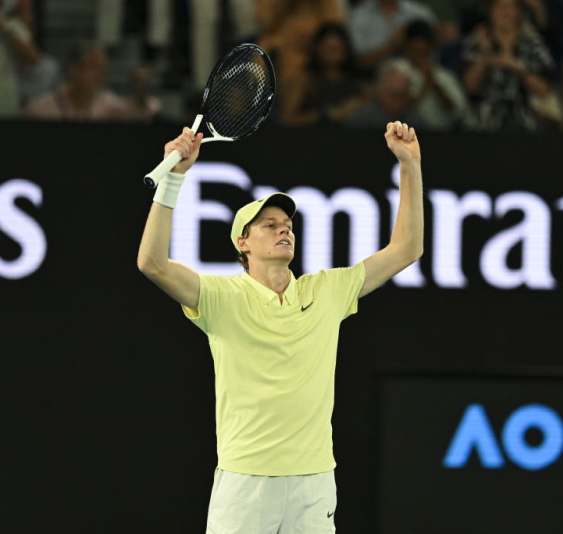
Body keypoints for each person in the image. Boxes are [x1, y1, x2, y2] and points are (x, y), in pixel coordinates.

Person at [136, 120, 423, 533]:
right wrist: (173, 179)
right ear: (243, 242)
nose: (283, 228)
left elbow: (407, 248)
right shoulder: (222, 297)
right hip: (245, 483)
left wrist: (409, 166)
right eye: (268, 225)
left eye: (286, 224)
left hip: (315, 483)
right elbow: (152, 264)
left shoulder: (328, 290)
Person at [459, 0, 557, 132]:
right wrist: (484, 56)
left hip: (524, 123)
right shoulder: (475, 42)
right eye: (498, 6)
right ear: (489, 11)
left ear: (519, 11)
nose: (504, 12)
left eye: (510, 6)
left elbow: (544, 89)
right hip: (481, 124)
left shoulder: (533, 45)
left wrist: (516, 67)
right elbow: (469, 87)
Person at [279, 21, 369, 125]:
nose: (332, 53)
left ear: (346, 50)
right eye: (328, 48)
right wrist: (327, 116)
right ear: (317, 49)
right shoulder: (304, 81)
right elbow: (287, 119)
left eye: (336, 48)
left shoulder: (360, 87)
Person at [24, 41, 130, 121]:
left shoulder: (108, 104)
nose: (100, 76)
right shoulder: (39, 109)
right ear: (74, 70)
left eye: (102, 69)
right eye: (93, 67)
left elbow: (138, 111)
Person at [401, 18, 469, 130]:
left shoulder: (445, 76)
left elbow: (457, 113)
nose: (419, 57)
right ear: (406, 49)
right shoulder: (396, 71)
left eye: (423, 51)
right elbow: (394, 111)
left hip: (439, 137)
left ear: (431, 48)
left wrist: (434, 85)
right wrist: (425, 86)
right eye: (415, 51)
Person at [348, 0, 438, 73]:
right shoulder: (359, 16)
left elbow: (433, 57)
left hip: (418, 75)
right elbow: (358, 63)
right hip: (371, 80)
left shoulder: (421, 14)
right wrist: (391, 46)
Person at [345, 57, 428, 127]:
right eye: (394, 95)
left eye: (403, 96)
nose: (399, 102)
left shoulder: (415, 122)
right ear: (379, 91)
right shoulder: (360, 122)